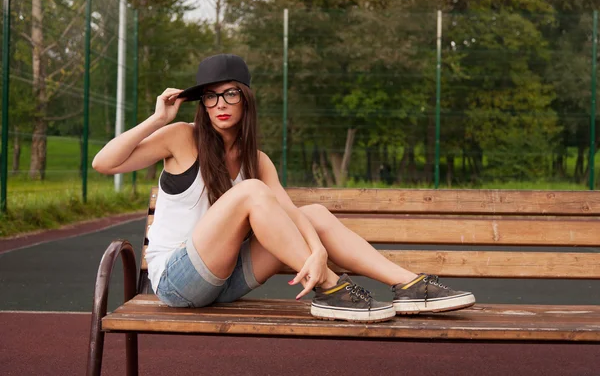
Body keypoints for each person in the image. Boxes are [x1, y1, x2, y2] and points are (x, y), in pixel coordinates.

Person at [92, 54, 475, 323]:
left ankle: (408, 285)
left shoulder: (257, 158)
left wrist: (319, 249)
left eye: (230, 93)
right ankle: (329, 289)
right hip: (176, 282)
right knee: (252, 192)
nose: (219, 104)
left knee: (313, 214)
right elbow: (103, 163)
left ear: (246, 98)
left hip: (224, 283)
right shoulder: (180, 137)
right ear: (202, 104)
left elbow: (292, 213)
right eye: (210, 96)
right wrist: (156, 119)